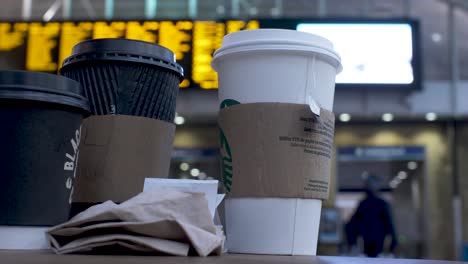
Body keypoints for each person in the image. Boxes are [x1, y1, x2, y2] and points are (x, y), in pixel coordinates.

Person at [345, 175, 398, 257]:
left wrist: (392, 246)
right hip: (364, 244)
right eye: (367, 185)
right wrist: (352, 242)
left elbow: (389, 225)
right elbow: (351, 225)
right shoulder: (363, 204)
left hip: (378, 245)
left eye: (371, 185)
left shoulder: (381, 204)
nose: (368, 187)